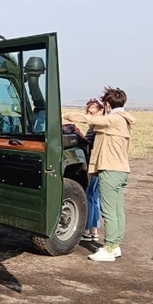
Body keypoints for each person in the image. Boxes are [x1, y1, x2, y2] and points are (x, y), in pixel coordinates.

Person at [62, 87, 135, 262]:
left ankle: (109, 248)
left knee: (109, 211)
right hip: (121, 170)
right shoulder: (123, 120)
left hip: (110, 170)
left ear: (108, 104)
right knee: (117, 211)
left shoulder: (113, 119)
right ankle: (115, 245)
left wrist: (68, 116)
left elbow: (91, 119)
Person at [79, 97, 104, 242]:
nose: (90, 113)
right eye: (88, 110)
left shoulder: (97, 127)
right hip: (99, 164)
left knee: (90, 195)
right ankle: (94, 229)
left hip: (96, 164)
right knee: (94, 197)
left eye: (92, 110)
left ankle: (88, 229)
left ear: (101, 111)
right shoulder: (98, 126)